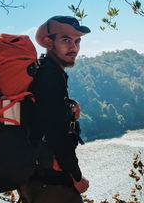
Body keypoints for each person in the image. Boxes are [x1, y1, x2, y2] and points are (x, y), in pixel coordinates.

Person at [18, 16, 91, 203]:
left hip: (32, 178)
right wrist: (76, 176)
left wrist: (68, 110)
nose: (74, 47)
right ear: (49, 43)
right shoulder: (50, 75)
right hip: (52, 185)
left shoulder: (41, 70)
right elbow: (57, 133)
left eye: (77, 41)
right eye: (66, 40)